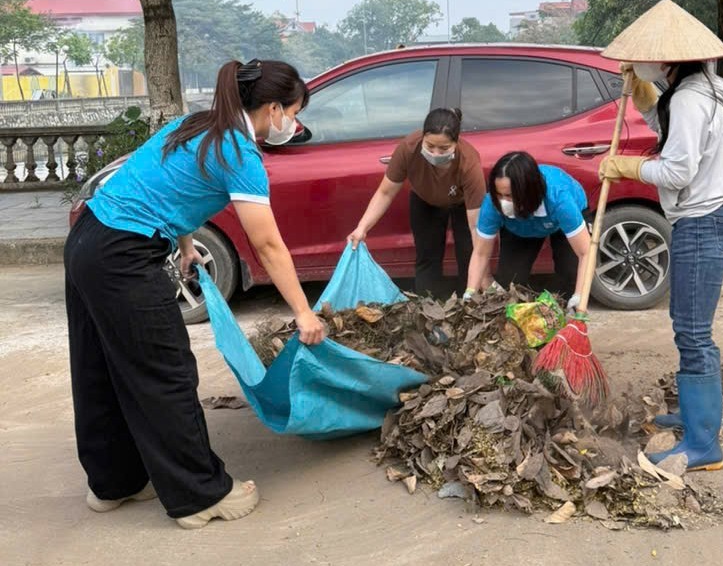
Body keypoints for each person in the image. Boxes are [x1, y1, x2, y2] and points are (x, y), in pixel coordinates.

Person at [64, 59, 327, 529]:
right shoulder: (241, 154)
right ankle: (200, 497)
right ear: (273, 108)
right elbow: (267, 244)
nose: (295, 124)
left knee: (99, 366)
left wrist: (186, 245)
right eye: (294, 112)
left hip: (89, 236)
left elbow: (165, 183)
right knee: (167, 372)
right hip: (123, 253)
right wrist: (304, 313)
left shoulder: (195, 124)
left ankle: (113, 483)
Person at [598, 0, 723, 471]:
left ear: (667, 60)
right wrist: (642, 94)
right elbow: (672, 132)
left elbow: (677, 169)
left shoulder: (689, 97)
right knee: (691, 329)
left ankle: (703, 445)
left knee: (693, 333)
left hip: (702, 222)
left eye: (650, 60)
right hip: (710, 218)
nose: (646, 63)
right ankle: (696, 417)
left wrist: (627, 166)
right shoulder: (699, 90)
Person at [348, 108, 486, 297]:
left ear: (456, 142)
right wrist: (362, 227)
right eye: (430, 146)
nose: (436, 153)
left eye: (444, 148)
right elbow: (385, 192)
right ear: (422, 137)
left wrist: (476, 282)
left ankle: (468, 301)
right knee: (427, 256)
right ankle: (428, 306)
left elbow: (475, 226)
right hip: (424, 201)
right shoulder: (408, 148)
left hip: (463, 205)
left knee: (468, 253)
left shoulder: (468, 162)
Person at [465, 151, 590, 311]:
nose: (504, 202)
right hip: (520, 227)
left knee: (570, 273)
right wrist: (470, 292)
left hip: (560, 222)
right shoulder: (492, 204)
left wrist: (580, 295)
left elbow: (585, 253)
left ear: (528, 191)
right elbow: (481, 254)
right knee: (510, 281)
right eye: (499, 194)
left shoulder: (560, 200)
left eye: (510, 196)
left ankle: (563, 315)